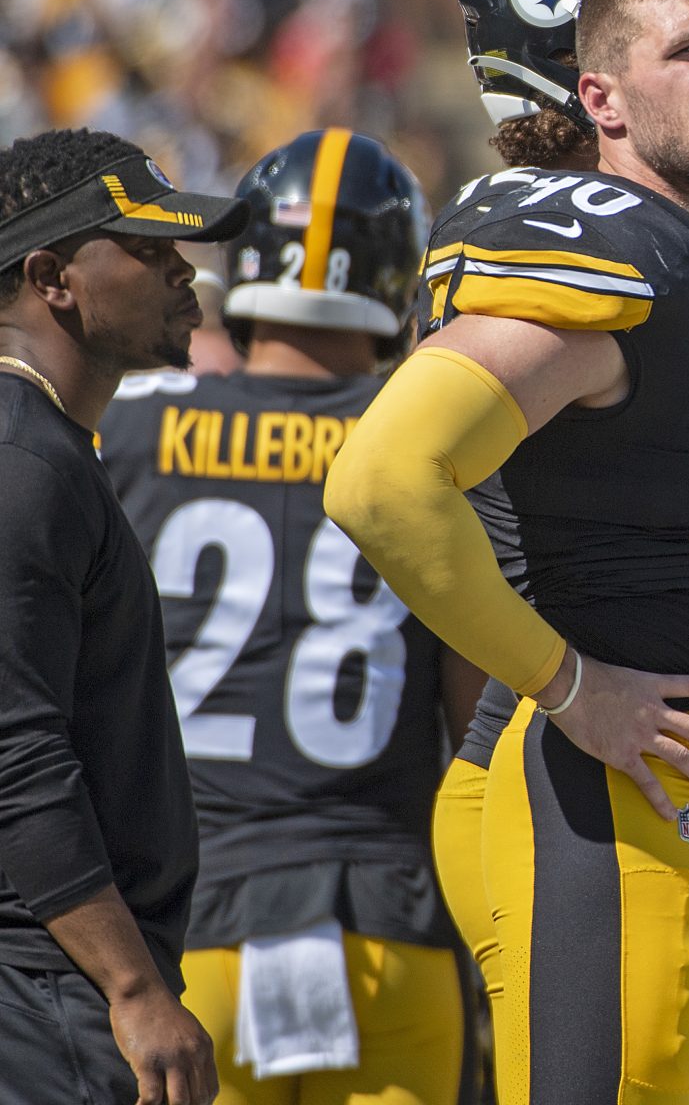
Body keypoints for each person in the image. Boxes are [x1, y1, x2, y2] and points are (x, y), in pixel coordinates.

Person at [326, 0, 689, 1105]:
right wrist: (572, 686)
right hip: (614, 794)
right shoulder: (604, 257)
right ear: (597, 97)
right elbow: (383, 479)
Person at [97, 129, 477, 1105]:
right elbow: (473, 720)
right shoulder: (426, 445)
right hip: (388, 918)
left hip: (190, 937)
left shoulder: (131, 423)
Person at [0, 126, 248, 1105]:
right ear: (53, 276)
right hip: (46, 991)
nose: (184, 274)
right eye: (148, 251)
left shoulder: (47, 448)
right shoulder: (26, 464)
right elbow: (15, 751)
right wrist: (133, 984)